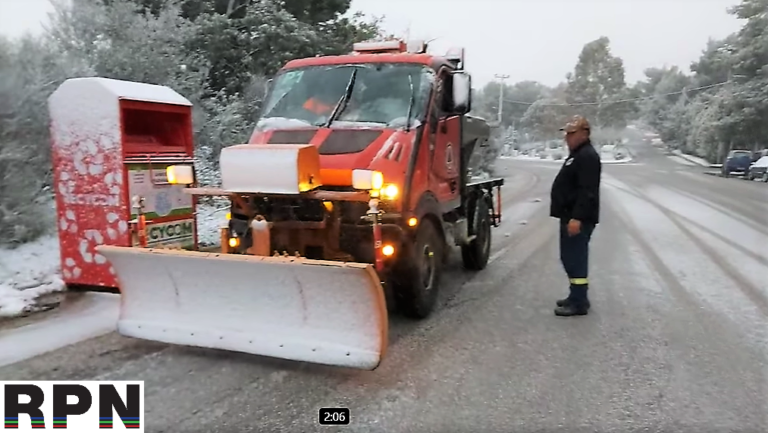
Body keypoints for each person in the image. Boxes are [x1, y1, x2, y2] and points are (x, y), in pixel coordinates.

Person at [549, 115, 601, 317]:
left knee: (575, 259)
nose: (567, 138)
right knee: (569, 258)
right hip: (569, 216)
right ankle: (575, 296)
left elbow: (587, 191)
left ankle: (579, 302)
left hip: (577, 219)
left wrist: (577, 218)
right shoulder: (578, 154)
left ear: (584, 134)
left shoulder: (587, 156)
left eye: (572, 133)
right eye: (566, 133)